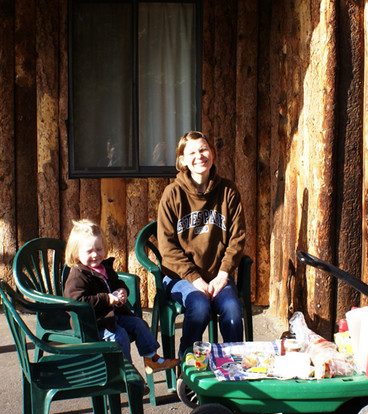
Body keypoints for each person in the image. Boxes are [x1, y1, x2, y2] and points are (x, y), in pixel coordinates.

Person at [157, 131, 246, 358]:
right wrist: (195, 279)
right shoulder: (172, 194)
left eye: (204, 149)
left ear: (212, 154)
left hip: (218, 276)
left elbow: (237, 238)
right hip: (181, 278)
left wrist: (223, 274)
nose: (200, 156)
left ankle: (234, 366)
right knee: (199, 307)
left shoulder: (228, 192)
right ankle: (186, 367)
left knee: (233, 311)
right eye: (192, 152)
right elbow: (167, 248)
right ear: (182, 161)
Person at [64, 219, 179, 373]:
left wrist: (122, 291)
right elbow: (76, 301)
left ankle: (151, 359)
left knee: (139, 324)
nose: (95, 255)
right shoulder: (78, 275)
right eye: (89, 251)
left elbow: (116, 282)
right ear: (77, 254)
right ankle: (125, 372)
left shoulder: (104, 268)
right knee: (119, 335)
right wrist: (107, 298)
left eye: (99, 249)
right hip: (92, 322)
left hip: (111, 315)